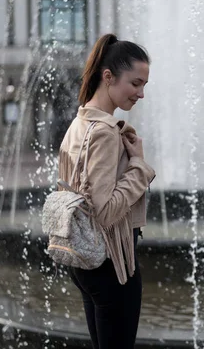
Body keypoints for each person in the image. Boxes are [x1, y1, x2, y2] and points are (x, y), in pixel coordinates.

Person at [58, 33, 156, 349]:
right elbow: (104, 211)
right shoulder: (103, 133)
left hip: (84, 259)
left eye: (144, 85)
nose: (141, 94)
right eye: (135, 83)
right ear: (109, 76)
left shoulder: (80, 122)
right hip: (112, 263)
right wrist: (139, 166)